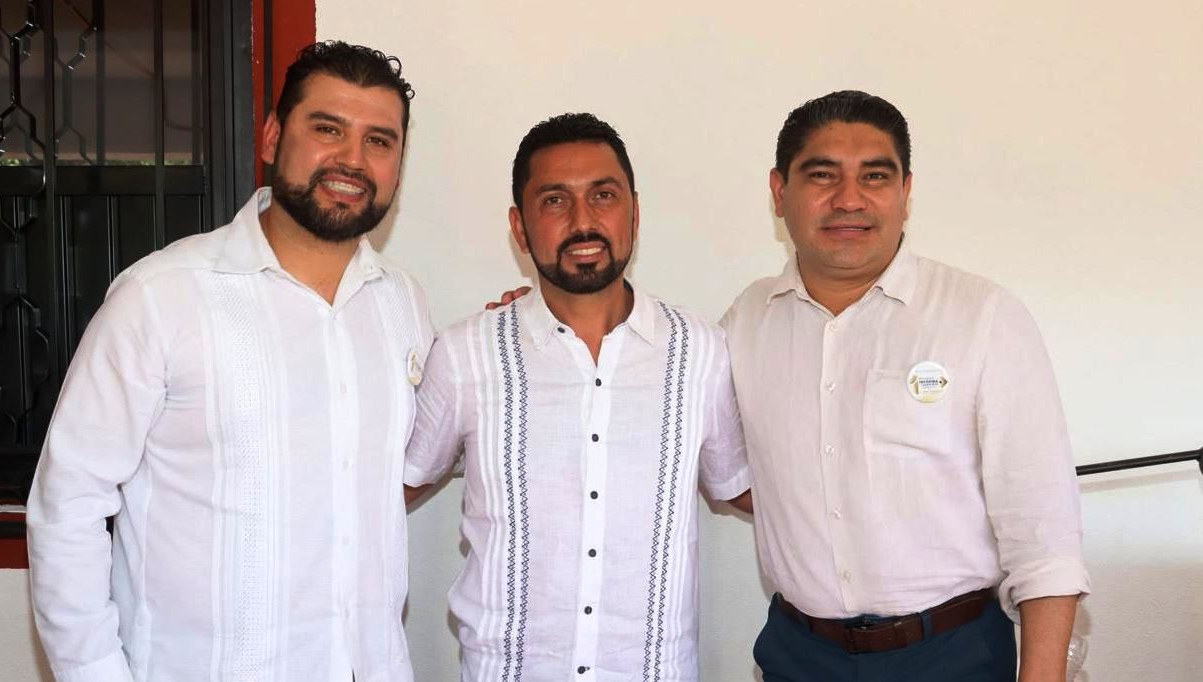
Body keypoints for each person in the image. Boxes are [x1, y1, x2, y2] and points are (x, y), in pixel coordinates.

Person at [27, 42, 431, 682]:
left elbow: (412, 459)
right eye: (327, 129)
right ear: (272, 137)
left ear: (398, 167)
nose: (352, 160)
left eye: (378, 141)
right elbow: (68, 504)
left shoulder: (402, 303)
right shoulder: (161, 296)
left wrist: (511, 335)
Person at [723, 90, 1090, 681]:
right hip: (799, 656)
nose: (849, 199)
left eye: (875, 176)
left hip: (954, 655)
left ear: (905, 191)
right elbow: (726, 467)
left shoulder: (982, 316)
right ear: (779, 191)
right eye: (823, 175)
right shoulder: (747, 321)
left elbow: (1044, 531)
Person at [404, 112, 752, 681]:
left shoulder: (703, 352)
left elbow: (742, 487)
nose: (583, 220)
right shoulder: (467, 353)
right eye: (555, 201)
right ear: (520, 228)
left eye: (603, 196)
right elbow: (396, 484)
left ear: (634, 213)